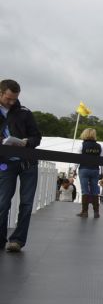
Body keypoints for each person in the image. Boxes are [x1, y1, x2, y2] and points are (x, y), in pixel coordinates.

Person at [0, 79, 42, 253]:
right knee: (2, 202)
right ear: (0, 93)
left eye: (15, 99)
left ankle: (17, 240)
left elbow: (37, 137)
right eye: (8, 98)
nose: (11, 102)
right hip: (4, 163)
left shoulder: (25, 112)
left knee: (26, 203)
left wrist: (26, 142)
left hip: (28, 163)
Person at [75, 128, 103, 218]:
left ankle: (85, 212)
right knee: (95, 190)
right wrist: (102, 172)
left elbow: (77, 160)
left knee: (85, 191)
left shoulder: (82, 146)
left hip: (84, 169)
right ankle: (96, 212)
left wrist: (73, 170)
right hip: (95, 170)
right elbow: (102, 161)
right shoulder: (100, 147)